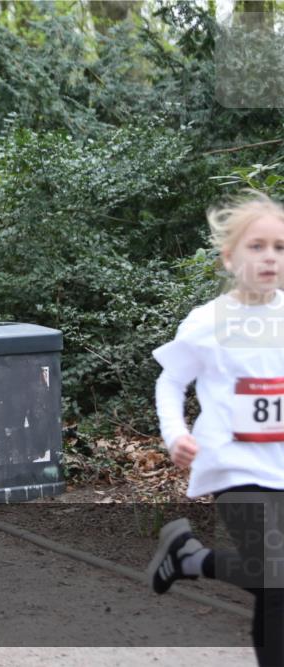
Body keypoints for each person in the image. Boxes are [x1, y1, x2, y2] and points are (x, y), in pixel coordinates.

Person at [147, 191, 284, 667]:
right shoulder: (208, 322)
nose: (269, 257)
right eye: (256, 246)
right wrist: (175, 435)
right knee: (276, 577)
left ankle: (189, 557)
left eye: (280, 247)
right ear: (229, 258)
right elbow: (170, 381)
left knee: (274, 580)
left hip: (280, 467)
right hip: (232, 467)